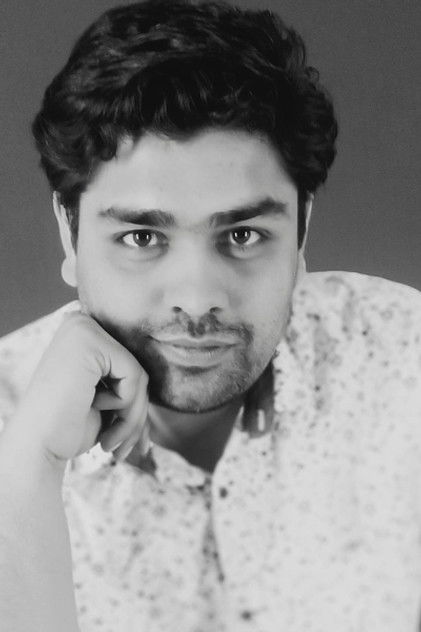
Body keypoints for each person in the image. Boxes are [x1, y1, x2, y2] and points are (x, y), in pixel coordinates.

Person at [0, 0, 420, 630]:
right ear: (69, 231)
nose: (197, 299)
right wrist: (26, 473)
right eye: (142, 237)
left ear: (302, 228)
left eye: (243, 235)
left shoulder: (406, 362)